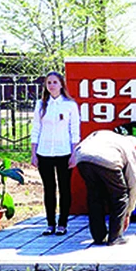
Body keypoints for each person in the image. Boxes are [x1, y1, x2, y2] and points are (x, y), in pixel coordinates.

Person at [30, 71, 81, 236]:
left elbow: (74, 130)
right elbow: (36, 129)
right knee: (48, 188)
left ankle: (62, 223)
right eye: (49, 82)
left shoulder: (69, 105)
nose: (52, 85)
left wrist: (74, 154)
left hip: (64, 152)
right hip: (44, 152)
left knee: (64, 188)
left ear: (61, 85)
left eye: (55, 82)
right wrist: (33, 153)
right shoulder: (41, 104)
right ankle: (50, 223)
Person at [69, 130, 136, 246]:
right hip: (109, 160)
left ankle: (98, 236)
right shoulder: (130, 148)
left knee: (95, 196)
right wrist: (128, 212)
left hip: (82, 158)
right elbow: (134, 184)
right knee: (120, 197)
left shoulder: (109, 136)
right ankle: (115, 237)